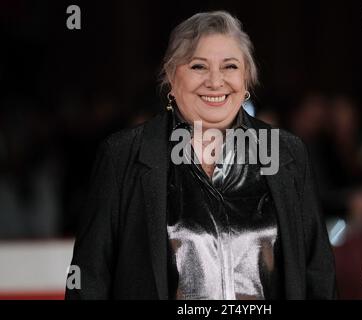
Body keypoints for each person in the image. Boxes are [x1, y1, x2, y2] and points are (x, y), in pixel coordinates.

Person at [65, 11, 336, 300]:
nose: (215, 81)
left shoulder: (286, 153)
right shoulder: (123, 156)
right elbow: (88, 281)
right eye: (198, 66)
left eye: (230, 66)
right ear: (170, 75)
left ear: (247, 77)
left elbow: (318, 275)